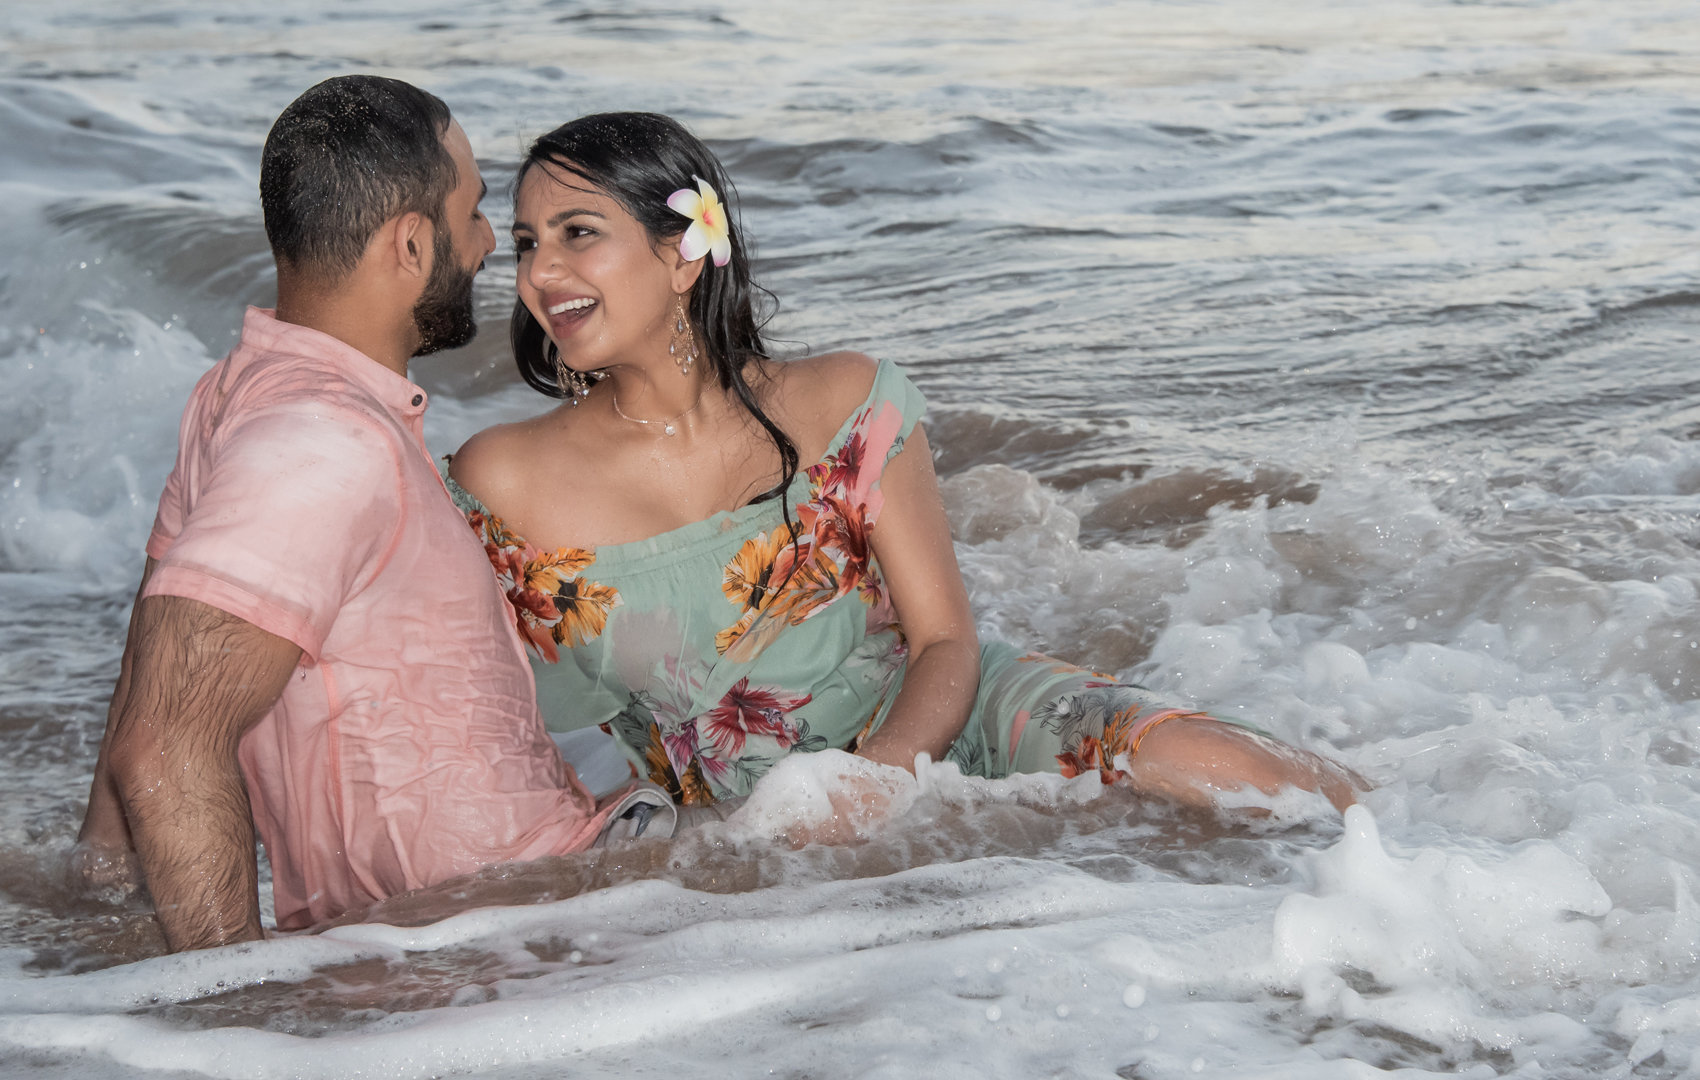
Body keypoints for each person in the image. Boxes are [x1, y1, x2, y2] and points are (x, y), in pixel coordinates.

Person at [447, 112, 1363, 829]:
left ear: (685, 252)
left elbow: (944, 644)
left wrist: (874, 789)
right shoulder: (503, 478)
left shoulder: (847, 401)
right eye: (528, 242)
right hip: (759, 825)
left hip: (945, 723)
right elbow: (461, 719)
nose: (541, 271)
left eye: (577, 232)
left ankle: (1433, 838)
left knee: (1225, 774)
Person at [71, 76, 626, 953]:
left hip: (491, 925)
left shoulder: (236, 396)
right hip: (502, 946)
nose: (489, 246)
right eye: (475, 212)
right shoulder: (323, 441)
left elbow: (155, 668)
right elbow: (165, 744)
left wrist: (94, 888)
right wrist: (232, 1022)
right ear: (411, 243)